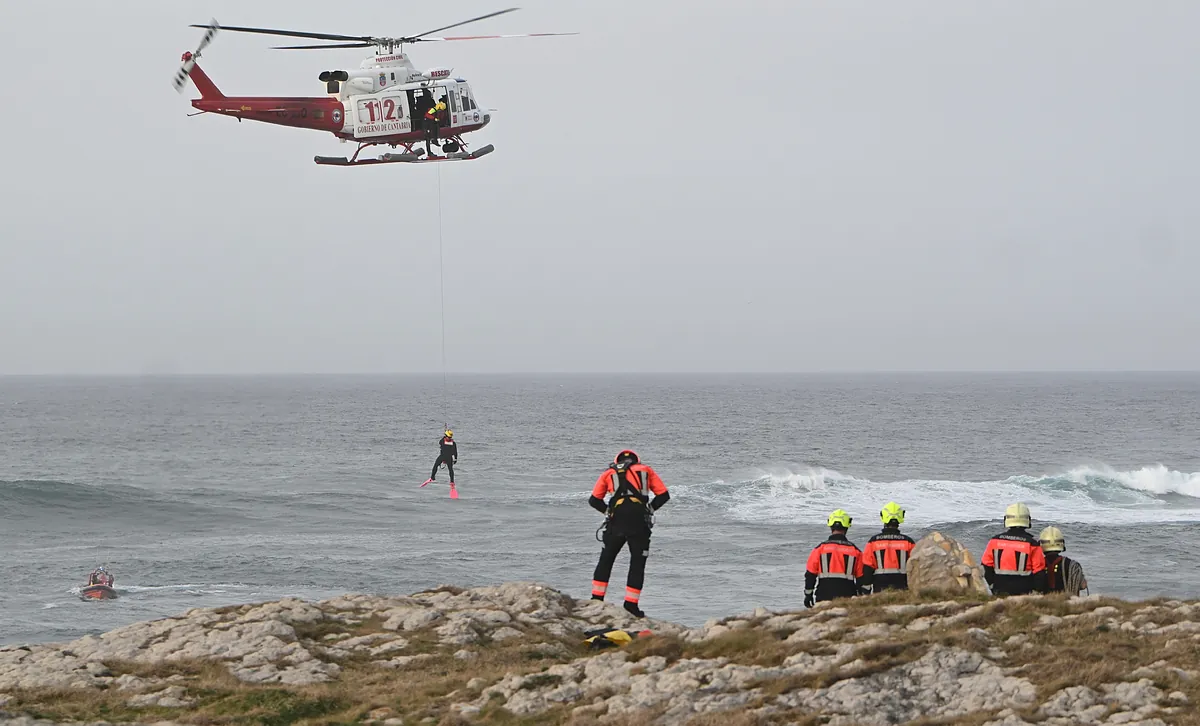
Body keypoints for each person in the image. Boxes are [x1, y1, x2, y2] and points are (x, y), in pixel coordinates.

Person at [588, 449, 670, 618]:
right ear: (637, 461)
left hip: (616, 521)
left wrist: (608, 512)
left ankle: (596, 599)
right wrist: (650, 509)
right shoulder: (646, 470)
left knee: (606, 559)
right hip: (639, 522)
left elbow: (594, 500)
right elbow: (663, 495)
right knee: (637, 563)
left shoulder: (608, 473)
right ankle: (631, 605)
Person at [804, 509, 871, 607]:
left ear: (830, 525)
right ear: (847, 526)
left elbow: (810, 575)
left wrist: (808, 595)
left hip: (823, 596)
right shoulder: (855, 551)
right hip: (848, 597)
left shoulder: (819, 549)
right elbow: (861, 578)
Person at [981, 503, 1047, 596]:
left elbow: (986, 568)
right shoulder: (1032, 544)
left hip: (999, 590)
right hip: (1024, 593)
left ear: (1006, 520)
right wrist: (1038, 591)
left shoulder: (995, 541)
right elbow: (1039, 573)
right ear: (1028, 520)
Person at [863, 501, 916, 592]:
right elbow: (914, 566)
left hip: (880, 587)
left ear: (883, 516)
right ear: (901, 517)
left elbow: (867, 568)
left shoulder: (873, 542)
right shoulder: (908, 542)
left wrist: (865, 588)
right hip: (903, 586)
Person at [1038, 526, 1089, 596]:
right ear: (1062, 543)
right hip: (1067, 602)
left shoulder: (1037, 565)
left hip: (1043, 603)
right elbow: (1083, 585)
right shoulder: (1072, 565)